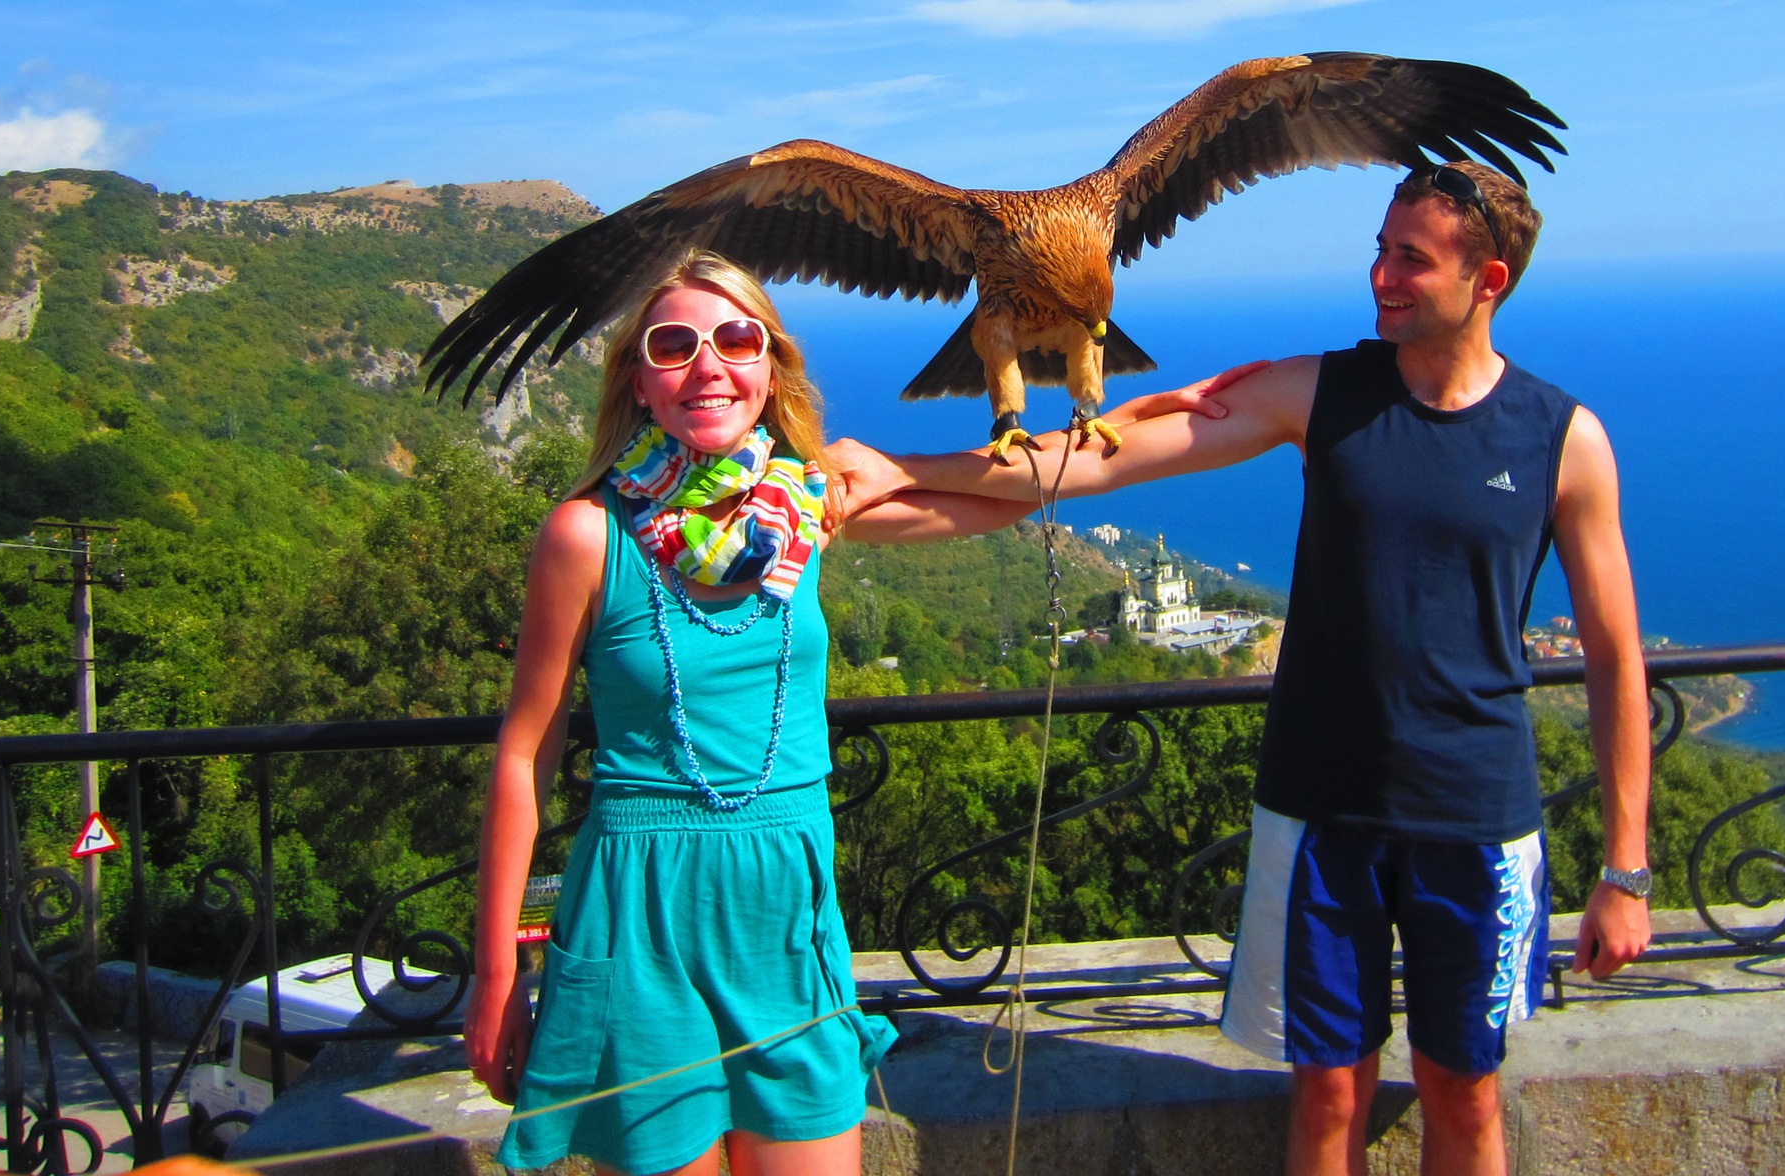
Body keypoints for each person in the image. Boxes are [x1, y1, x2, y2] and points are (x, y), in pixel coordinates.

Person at [826, 163, 1654, 1176]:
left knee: (1465, 1094)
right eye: (1379, 250)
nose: (1380, 275)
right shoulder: (1319, 392)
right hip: (1319, 811)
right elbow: (1095, 460)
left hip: (1476, 815)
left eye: (1410, 259)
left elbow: (1615, 658)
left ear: (1488, 281)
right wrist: (901, 470)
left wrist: (1625, 871)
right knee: (1326, 1094)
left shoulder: (1563, 438)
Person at [465, 249, 1068, 1176]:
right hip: (641, 918)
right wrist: (498, 970)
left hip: (786, 917)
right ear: (639, 380)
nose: (707, 365)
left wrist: (896, 467)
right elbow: (526, 753)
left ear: (771, 369)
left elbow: (1011, 497)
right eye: (674, 346)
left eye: (737, 340)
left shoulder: (803, 511)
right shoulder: (587, 534)